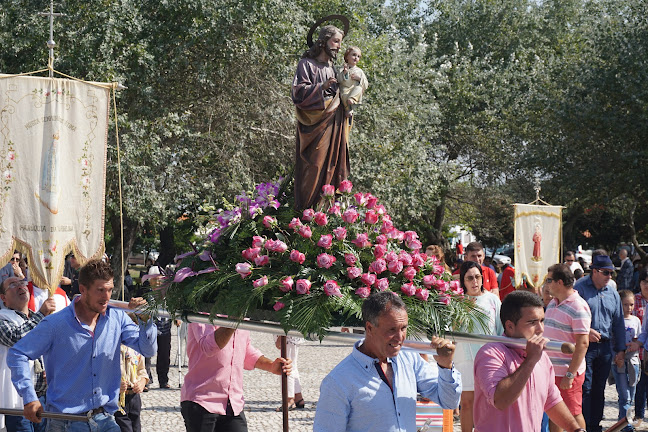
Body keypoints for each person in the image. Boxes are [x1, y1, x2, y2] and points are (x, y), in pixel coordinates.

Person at [7, 259, 157, 432]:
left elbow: (147, 349)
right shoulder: (55, 324)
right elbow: (18, 354)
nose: (106, 297)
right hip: (66, 423)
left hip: (106, 419)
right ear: (83, 289)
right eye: (100, 290)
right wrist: (29, 397)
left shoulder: (118, 318)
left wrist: (146, 322)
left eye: (109, 290)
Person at [313, 291, 461, 432]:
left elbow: (449, 401)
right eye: (392, 330)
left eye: (403, 328)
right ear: (370, 328)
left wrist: (445, 366)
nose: (400, 337)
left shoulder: (409, 359)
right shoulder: (338, 382)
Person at [472, 290, 584, 432]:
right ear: (510, 326)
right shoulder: (490, 353)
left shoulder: (542, 358)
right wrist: (530, 360)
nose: (540, 329)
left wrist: (575, 429)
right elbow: (500, 400)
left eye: (542, 321)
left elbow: (552, 401)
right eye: (532, 322)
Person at [180, 324, 292, 432]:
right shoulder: (203, 309)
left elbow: (245, 349)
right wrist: (234, 320)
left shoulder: (241, 314)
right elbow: (208, 346)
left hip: (233, 404)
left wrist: (270, 366)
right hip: (202, 401)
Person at [292, 24, 350, 210]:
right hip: (314, 125)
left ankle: (325, 213)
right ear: (323, 41)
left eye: (340, 43)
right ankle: (306, 212)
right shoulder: (306, 65)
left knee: (331, 167)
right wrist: (321, 88)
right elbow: (298, 93)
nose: (339, 46)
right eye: (335, 41)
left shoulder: (334, 70)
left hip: (334, 124)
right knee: (314, 166)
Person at [574, 254, 626, 432]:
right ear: (594, 271)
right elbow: (569, 315)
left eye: (611, 273)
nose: (609, 276)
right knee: (585, 387)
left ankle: (595, 426)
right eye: (606, 272)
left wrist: (620, 350)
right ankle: (584, 426)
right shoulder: (579, 289)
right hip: (584, 346)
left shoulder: (612, 292)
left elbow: (619, 322)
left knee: (599, 389)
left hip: (605, 348)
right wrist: (585, 331)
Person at [0, 277, 56, 432]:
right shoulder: (2, 318)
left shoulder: (42, 319)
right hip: (18, 401)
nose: (20, 287)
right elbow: (17, 338)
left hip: (43, 397)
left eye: (23, 283)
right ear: (3, 298)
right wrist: (42, 314)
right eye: (12, 285)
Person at [454, 261, 503, 432]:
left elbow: (500, 328)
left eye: (477, 277)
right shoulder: (457, 301)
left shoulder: (493, 299)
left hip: (489, 358)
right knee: (467, 402)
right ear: (463, 281)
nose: (474, 281)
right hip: (464, 357)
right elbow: (452, 329)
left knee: (489, 402)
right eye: (469, 278)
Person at [542, 264, 591, 432]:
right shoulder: (552, 304)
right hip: (551, 372)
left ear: (560, 282)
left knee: (573, 414)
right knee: (555, 413)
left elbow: (583, 344)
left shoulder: (578, 306)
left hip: (567, 373)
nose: (546, 284)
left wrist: (570, 374)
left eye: (549, 280)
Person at [612, 290, 641, 422]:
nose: (629, 308)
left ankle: (622, 420)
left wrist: (635, 344)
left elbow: (639, 338)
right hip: (619, 361)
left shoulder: (635, 320)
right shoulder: (615, 321)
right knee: (625, 395)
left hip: (633, 361)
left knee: (631, 394)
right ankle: (626, 424)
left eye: (631, 304)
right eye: (625, 304)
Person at [115, 342, 148, 432]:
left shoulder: (136, 347)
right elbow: (102, 375)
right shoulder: (110, 348)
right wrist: (115, 386)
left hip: (134, 397)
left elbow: (141, 369)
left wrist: (142, 381)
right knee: (125, 428)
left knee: (136, 427)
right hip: (118, 399)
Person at [632, 268, 648, 427]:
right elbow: (643, 331)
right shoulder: (634, 300)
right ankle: (639, 415)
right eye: (644, 282)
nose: (647, 285)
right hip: (639, 351)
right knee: (640, 386)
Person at [274, 335, 306, 411]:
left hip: (288, 335)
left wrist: (281, 334)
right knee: (292, 365)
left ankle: (289, 399)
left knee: (286, 364)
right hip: (293, 336)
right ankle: (297, 396)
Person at [337, 46, 368, 118]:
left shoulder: (359, 71)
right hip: (345, 90)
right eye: (354, 55)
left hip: (353, 91)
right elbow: (339, 80)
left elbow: (365, 84)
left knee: (359, 89)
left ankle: (351, 101)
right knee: (344, 93)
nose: (356, 57)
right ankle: (348, 108)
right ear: (347, 56)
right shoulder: (343, 68)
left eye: (358, 56)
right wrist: (345, 73)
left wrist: (359, 79)